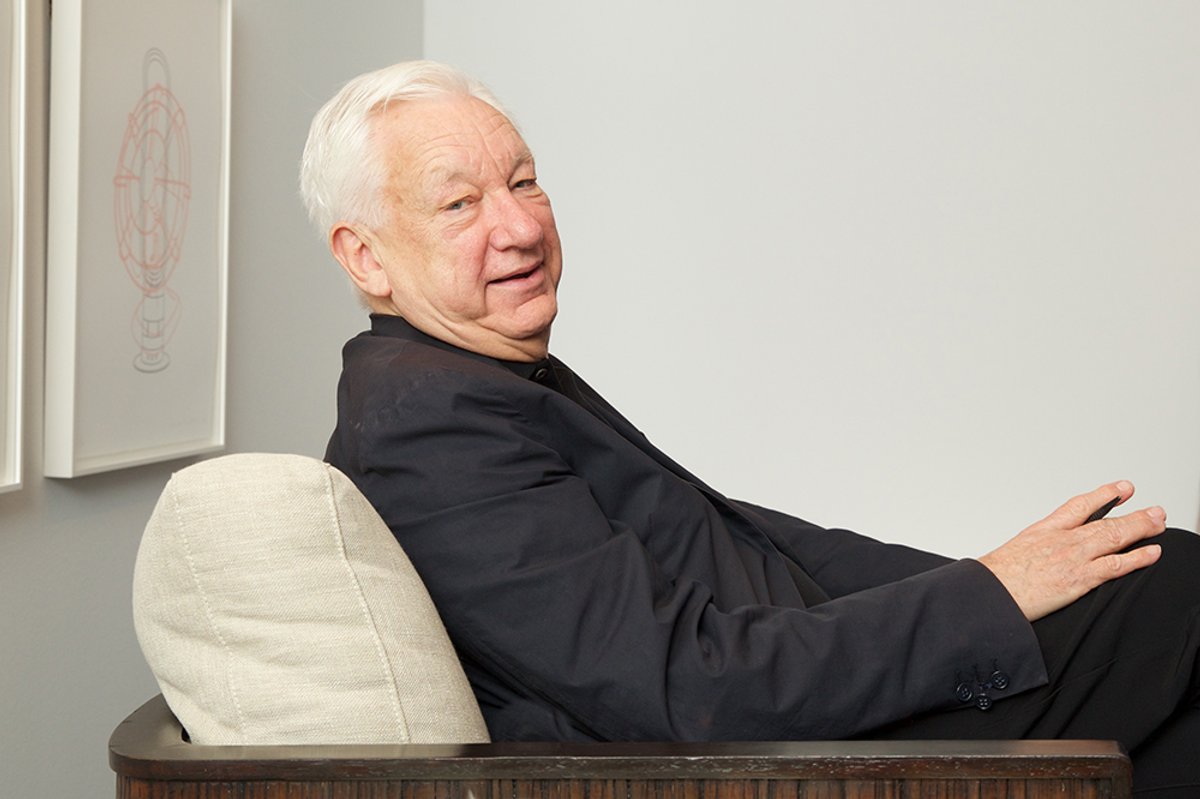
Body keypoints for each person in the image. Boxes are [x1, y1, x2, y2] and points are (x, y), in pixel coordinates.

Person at [301, 60, 1199, 795]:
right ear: (366, 255)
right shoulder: (426, 424)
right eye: (459, 204)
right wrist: (989, 597)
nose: (519, 226)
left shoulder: (476, 371)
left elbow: (744, 538)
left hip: (823, 685)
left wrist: (990, 574)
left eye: (525, 181)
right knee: (1179, 584)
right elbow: (687, 691)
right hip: (793, 752)